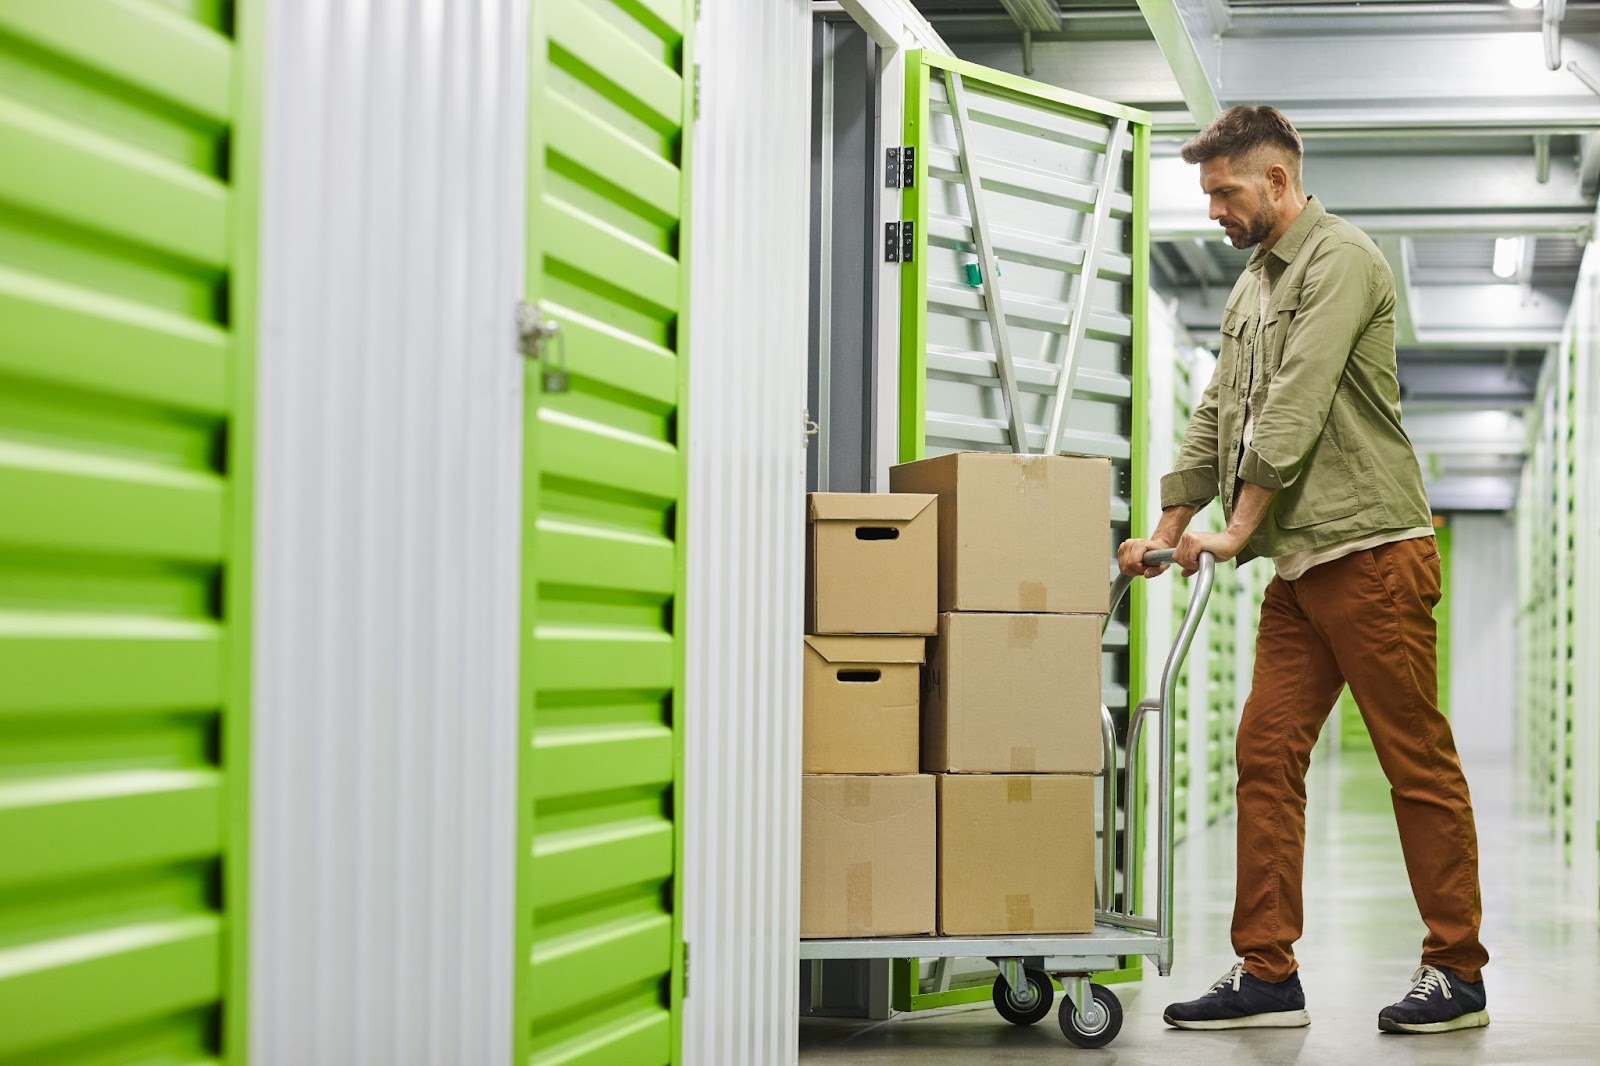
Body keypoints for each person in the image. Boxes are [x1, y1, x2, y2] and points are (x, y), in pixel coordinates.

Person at [1118, 105, 1489, 1035]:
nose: (1212, 210)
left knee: (1416, 763)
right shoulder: (1250, 286)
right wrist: (1166, 531)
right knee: (1264, 753)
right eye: (1206, 195)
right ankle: (1267, 973)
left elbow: (1296, 407)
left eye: (1223, 192)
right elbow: (1218, 418)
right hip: (1299, 572)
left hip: (1373, 554)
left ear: (1277, 181)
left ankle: (1457, 970)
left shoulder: (1345, 262)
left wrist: (1235, 533)